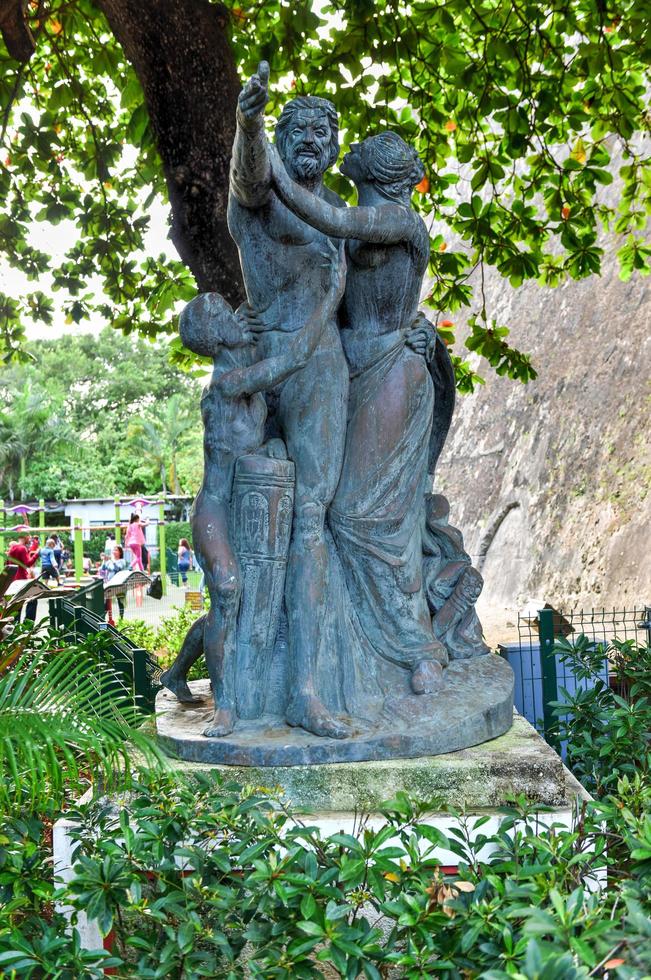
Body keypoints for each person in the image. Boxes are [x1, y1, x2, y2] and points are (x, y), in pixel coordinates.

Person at [270, 130, 450, 694]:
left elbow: (332, 220)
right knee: (329, 510)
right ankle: (346, 660)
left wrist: (270, 167)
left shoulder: (398, 220)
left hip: (394, 368)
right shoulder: (353, 220)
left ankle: (416, 650)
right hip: (344, 370)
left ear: (375, 172)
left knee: (369, 517)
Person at [160, 246, 346, 736]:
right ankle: (226, 707)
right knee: (228, 589)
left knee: (237, 603)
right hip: (215, 510)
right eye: (223, 312)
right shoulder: (228, 384)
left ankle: (176, 671)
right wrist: (331, 297)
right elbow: (296, 357)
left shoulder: (241, 366)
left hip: (243, 503)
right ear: (213, 334)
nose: (232, 311)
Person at [226, 62, 351, 738]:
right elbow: (247, 175)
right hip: (259, 365)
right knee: (240, 522)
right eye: (294, 127)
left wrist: (410, 333)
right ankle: (239, 688)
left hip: (320, 371)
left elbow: (362, 305)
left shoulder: (336, 214)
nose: (308, 137)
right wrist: (248, 123)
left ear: (332, 146)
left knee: (309, 522)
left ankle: (303, 691)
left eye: (319, 131)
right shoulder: (258, 192)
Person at [6, 531, 40, 621]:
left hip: (14, 579)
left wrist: (34, 546)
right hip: (21, 580)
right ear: (25, 537)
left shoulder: (13, 548)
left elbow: (9, 563)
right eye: (29, 537)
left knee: (17, 603)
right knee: (33, 599)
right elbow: (28, 563)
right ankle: (28, 623)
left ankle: (16, 624)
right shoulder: (22, 548)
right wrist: (37, 554)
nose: (30, 538)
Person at [98, 544, 127, 623]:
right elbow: (102, 570)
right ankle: (103, 618)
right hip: (110, 584)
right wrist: (104, 561)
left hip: (119, 584)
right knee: (107, 601)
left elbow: (117, 568)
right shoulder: (108, 562)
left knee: (120, 601)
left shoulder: (122, 561)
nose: (114, 551)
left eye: (116, 550)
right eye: (113, 550)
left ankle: (121, 619)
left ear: (120, 552)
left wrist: (112, 561)